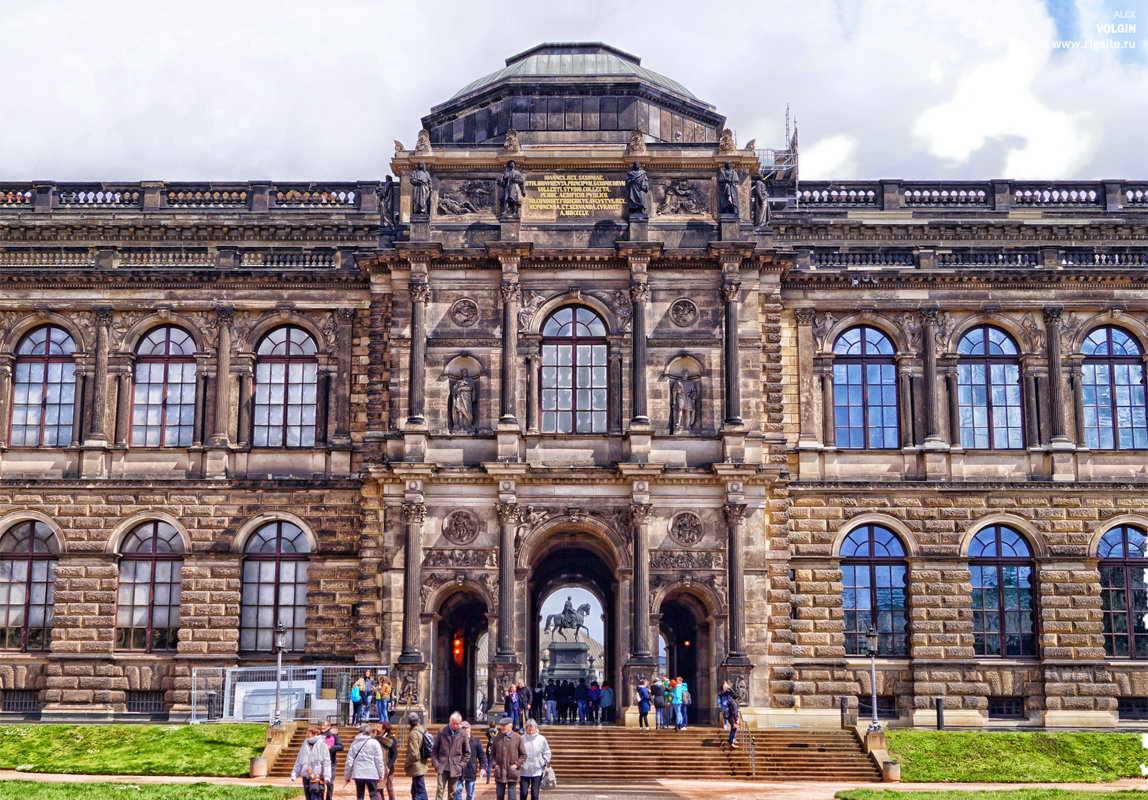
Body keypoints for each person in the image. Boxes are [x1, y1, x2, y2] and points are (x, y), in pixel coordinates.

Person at [431, 711, 470, 800]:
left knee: (452, 793)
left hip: (455, 767)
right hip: (442, 766)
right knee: (440, 791)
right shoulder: (442, 732)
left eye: (458, 724)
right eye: (454, 723)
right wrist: (436, 763)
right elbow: (435, 749)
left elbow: (467, 753)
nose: (456, 726)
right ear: (449, 721)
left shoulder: (463, 734)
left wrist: (461, 766)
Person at [344, 722, 386, 800]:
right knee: (373, 795)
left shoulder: (354, 744)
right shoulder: (374, 743)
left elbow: (349, 761)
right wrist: (381, 773)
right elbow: (379, 760)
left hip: (358, 773)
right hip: (372, 772)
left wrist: (347, 775)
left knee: (360, 796)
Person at [290, 725, 331, 800]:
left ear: (315, 734)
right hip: (306, 775)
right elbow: (299, 759)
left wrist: (327, 776)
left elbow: (326, 762)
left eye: (310, 732)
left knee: (316, 797)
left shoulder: (322, 745)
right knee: (308, 797)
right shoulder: (305, 744)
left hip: (317, 776)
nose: (308, 734)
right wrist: (294, 774)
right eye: (308, 732)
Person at [490, 715, 526, 800]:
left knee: (512, 796)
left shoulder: (518, 738)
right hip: (500, 772)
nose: (502, 727)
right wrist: (495, 764)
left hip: (512, 772)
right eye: (501, 726)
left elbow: (523, 755)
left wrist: (516, 764)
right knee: (499, 794)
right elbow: (492, 754)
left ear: (510, 726)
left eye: (504, 726)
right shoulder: (497, 738)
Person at [519, 719, 551, 800]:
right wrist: (519, 763)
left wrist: (542, 762)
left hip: (537, 770)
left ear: (536, 729)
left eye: (532, 730)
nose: (530, 732)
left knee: (535, 793)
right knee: (523, 792)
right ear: (526, 729)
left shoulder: (541, 739)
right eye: (529, 730)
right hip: (524, 770)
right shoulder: (521, 739)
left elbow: (547, 752)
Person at [455, 720, 487, 800]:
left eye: (466, 729)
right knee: (458, 790)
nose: (465, 730)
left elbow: (481, 755)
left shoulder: (476, 741)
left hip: (471, 769)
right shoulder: (456, 740)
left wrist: (483, 767)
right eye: (463, 729)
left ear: (470, 729)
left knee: (470, 792)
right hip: (458, 769)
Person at [404, 711, 429, 800]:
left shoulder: (413, 734)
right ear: (419, 720)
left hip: (416, 765)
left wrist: (406, 763)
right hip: (423, 762)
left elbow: (414, 754)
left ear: (409, 722)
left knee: (421, 792)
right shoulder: (424, 729)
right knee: (414, 791)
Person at [373, 722, 398, 800]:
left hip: (388, 767)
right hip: (380, 766)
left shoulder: (391, 739)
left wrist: (389, 766)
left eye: (380, 727)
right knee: (379, 788)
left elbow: (394, 754)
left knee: (389, 788)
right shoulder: (377, 738)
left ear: (384, 729)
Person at [319, 720, 343, 800]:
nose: (322, 727)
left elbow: (341, 747)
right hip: (320, 763)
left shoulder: (334, 736)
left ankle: (329, 798)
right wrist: (329, 733)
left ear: (329, 727)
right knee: (320, 783)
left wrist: (331, 748)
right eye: (321, 726)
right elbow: (320, 738)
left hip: (331, 763)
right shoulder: (319, 735)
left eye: (324, 726)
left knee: (329, 782)